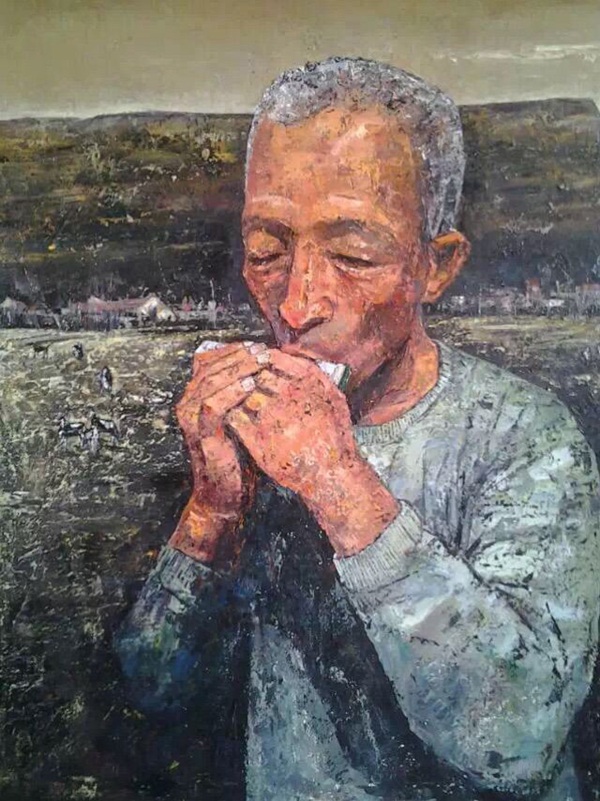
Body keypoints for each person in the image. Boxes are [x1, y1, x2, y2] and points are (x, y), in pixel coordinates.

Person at [114, 57, 600, 801]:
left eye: (352, 255)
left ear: (436, 266)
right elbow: (152, 689)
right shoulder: (250, 433)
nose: (297, 303)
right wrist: (213, 512)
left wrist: (339, 484)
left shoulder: (527, 438)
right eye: (267, 251)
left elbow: (519, 738)